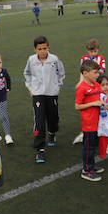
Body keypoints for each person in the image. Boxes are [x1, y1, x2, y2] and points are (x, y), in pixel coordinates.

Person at [23, 35, 65, 163]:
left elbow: (61, 72)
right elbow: (27, 74)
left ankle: (52, 133)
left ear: (48, 48)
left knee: (53, 117)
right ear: (35, 49)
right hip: (38, 94)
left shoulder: (54, 59)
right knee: (39, 120)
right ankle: (40, 149)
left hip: (52, 93)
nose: (42, 51)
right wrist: (30, 88)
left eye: (45, 48)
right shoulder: (31, 60)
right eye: (40, 49)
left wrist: (58, 85)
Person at [75, 59, 104, 181]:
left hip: (97, 121)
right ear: (85, 73)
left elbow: (100, 101)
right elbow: (77, 106)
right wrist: (93, 103)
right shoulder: (81, 88)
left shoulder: (97, 85)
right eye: (95, 72)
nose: (98, 75)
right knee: (89, 147)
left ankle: (91, 166)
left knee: (93, 145)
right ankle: (86, 170)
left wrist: (107, 106)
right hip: (88, 122)